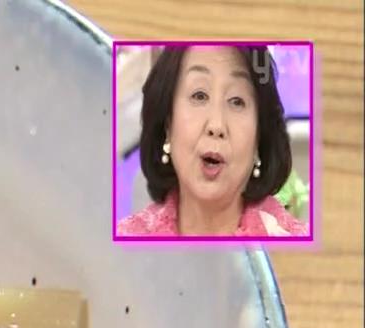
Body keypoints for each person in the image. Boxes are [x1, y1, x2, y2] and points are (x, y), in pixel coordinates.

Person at [117, 45, 308, 238]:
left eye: (237, 101)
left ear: (259, 137)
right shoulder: (124, 242)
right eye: (199, 96)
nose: (216, 126)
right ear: (167, 123)